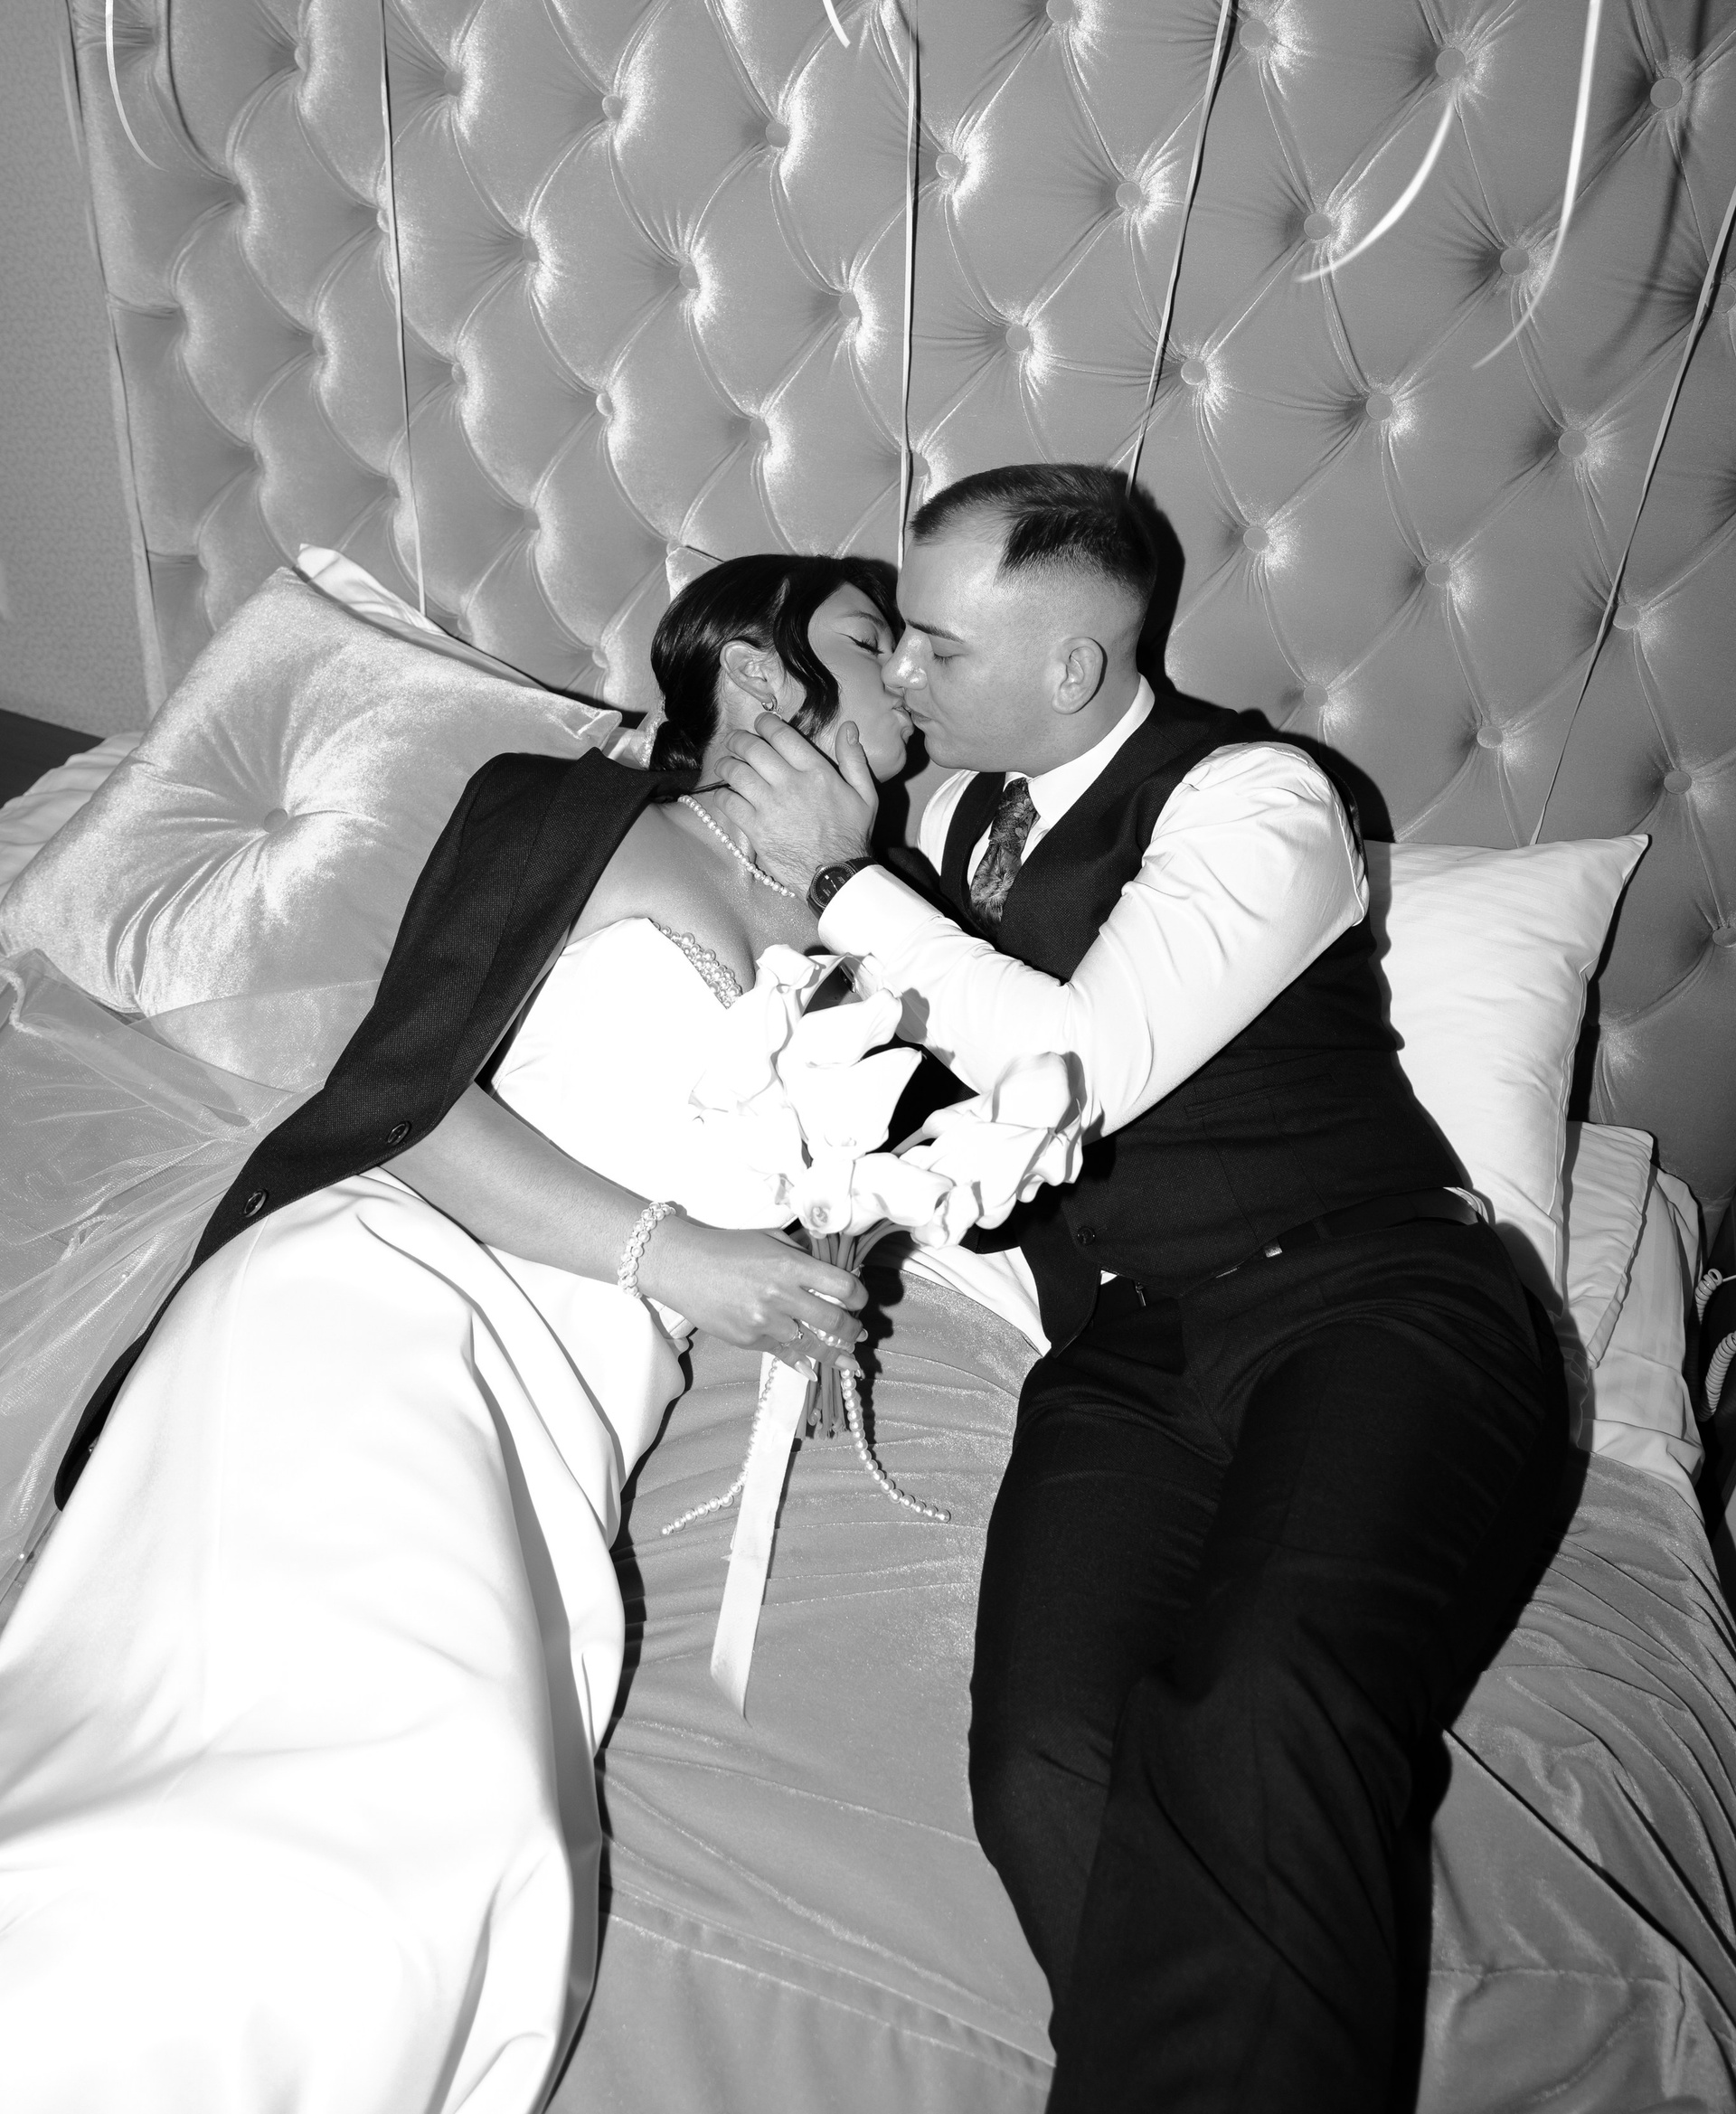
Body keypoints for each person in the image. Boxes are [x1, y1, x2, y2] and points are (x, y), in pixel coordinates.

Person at [0, 554, 913, 2114]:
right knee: (415, 1802)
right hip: (387, 1293)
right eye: (874, 642)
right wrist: (681, 1255)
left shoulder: (885, 947)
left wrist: (840, 893)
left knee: (473, 1832)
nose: (913, 678)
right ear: (761, 675)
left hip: (580, 1404)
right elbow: (400, 1103)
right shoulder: (568, 813)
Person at [713, 463, 1568, 2114]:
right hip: (1123, 1358)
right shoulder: (945, 825)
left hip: (1372, 1302)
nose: (904, 672)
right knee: (1046, 1766)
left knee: (1265, 1701)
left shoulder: (1260, 802)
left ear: (1074, 666)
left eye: (939, 648)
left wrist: (839, 880)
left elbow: (1073, 1065)